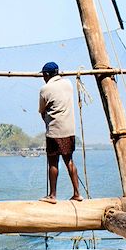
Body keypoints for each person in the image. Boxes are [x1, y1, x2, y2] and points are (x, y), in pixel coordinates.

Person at [38, 61, 83, 203]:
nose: (43, 78)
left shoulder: (45, 89)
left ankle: (52, 195)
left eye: (43, 75)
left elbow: (42, 110)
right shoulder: (68, 84)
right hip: (69, 131)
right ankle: (77, 193)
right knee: (69, 161)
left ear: (46, 74)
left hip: (55, 132)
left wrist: (46, 118)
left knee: (53, 163)